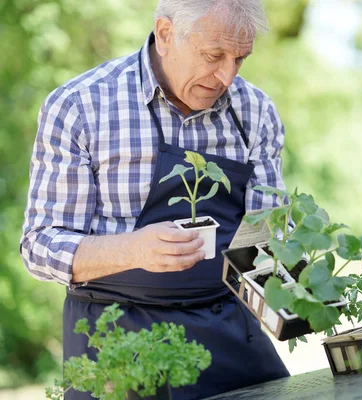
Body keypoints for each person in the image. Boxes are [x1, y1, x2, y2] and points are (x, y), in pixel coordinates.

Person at [20, 1, 290, 398]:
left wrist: (302, 279)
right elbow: (39, 246)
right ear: (165, 34)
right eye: (214, 55)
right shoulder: (80, 106)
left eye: (240, 59)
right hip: (116, 337)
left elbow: (267, 234)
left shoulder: (256, 112)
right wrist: (134, 249)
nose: (227, 76)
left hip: (227, 325)